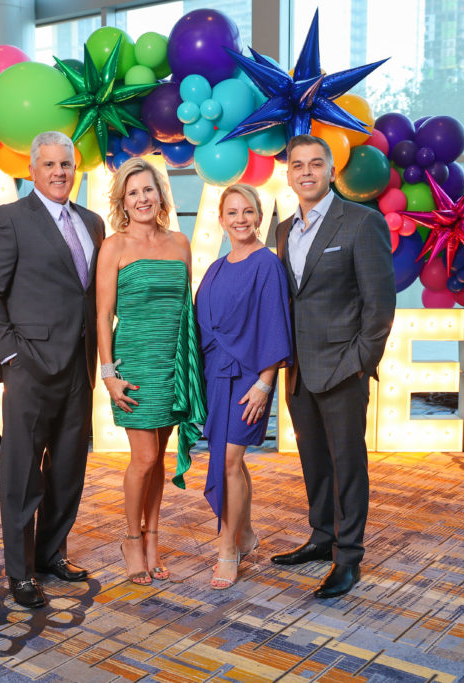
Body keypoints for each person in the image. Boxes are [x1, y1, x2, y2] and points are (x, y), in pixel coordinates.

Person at [0, 131, 105, 609]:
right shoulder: (9, 220)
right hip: (29, 366)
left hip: (78, 368)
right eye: (48, 165)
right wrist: (10, 355)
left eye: (65, 165)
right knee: (23, 473)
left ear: (75, 168)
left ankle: (51, 554)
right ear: (32, 170)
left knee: (69, 469)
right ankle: (20, 571)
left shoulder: (92, 222)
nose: (58, 173)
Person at [272, 134, 395, 599]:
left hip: (343, 368)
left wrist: (360, 363)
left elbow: (380, 306)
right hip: (298, 368)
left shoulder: (361, 223)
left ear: (330, 170)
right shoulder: (282, 230)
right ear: (289, 174)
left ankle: (348, 558)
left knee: (348, 464)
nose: (306, 171)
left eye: (315, 163)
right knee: (313, 461)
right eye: (298, 164)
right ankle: (322, 537)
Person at [96, 158, 206, 586]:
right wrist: (108, 373)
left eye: (148, 190)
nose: (142, 198)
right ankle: (130, 538)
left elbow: (185, 309)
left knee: (158, 458)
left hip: (172, 363)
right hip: (134, 364)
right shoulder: (115, 246)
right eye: (133, 192)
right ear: (123, 201)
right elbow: (103, 315)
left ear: (160, 194)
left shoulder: (180, 243)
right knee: (142, 458)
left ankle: (153, 537)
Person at [195, 184, 292, 589]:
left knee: (230, 461)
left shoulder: (267, 263)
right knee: (232, 461)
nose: (240, 219)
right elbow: (201, 324)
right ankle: (247, 534)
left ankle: (227, 550)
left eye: (248, 211)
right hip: (215, 377)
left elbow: (274, 322)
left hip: (249, 378)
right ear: (221, 220)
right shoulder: (216, 268)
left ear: (259, 216)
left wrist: (265, 383)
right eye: (232, 212)